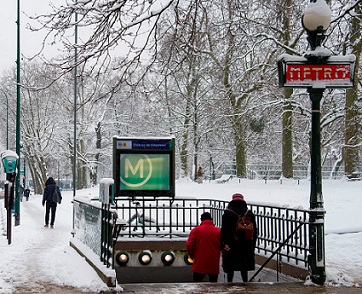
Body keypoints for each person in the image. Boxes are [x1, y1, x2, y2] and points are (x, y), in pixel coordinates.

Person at [220, 193, 257, 282]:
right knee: (244, 267)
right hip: (246, 244)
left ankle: (229, 283)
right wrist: (253, 245)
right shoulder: (249, 213)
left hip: (231, 243)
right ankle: (245, 283)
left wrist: (223, 243)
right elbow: (254, 231)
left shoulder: (228, 213)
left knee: (230, 267)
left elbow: (224, 230)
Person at [186, 212, 221, 282]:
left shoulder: (196, 230)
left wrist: (193, 256)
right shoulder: (218, 231)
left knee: (197, 285)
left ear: (201, 220)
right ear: (211, 219)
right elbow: (222, 245)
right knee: (214, 286)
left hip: (199, 263)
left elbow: (189, 245)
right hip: (213, 262)